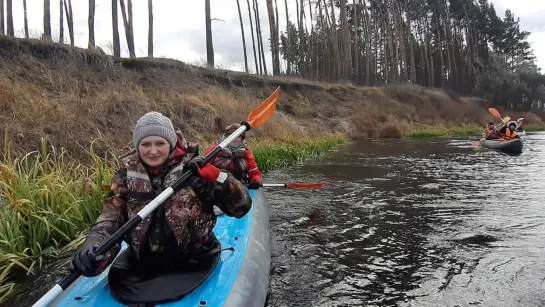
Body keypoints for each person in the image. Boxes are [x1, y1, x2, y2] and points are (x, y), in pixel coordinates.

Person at [70, 112, 252, 283]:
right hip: (143, 262)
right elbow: (112, 215)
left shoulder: (193, 169)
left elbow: (241, 206)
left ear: (171, 144)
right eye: (146, 144)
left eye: (160, 143)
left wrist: (218, 177)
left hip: (196, 259)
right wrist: (95, 243)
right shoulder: (125, 174)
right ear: (137, 146)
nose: (153, 151)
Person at [206, 123, 263, 189]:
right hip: (217, 187)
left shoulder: (247, 153)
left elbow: (255, 173)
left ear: (242, 139)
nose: (235, 139)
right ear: (226, 137)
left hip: (239, 188)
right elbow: (203, 167)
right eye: (232, 136)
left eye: (238, 136)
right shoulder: (215, 149)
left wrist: (255, 180)